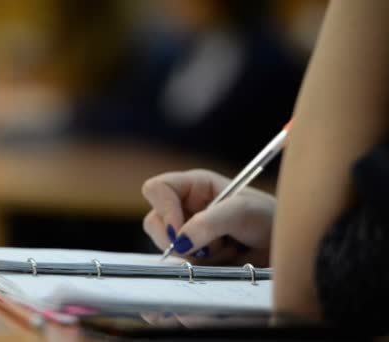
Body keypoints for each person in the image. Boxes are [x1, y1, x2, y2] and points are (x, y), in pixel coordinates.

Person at [142, 1, 389, 334]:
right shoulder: (177, 50)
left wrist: (305, 250)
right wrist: (282, 235)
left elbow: (306, 305)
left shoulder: (266, 60)